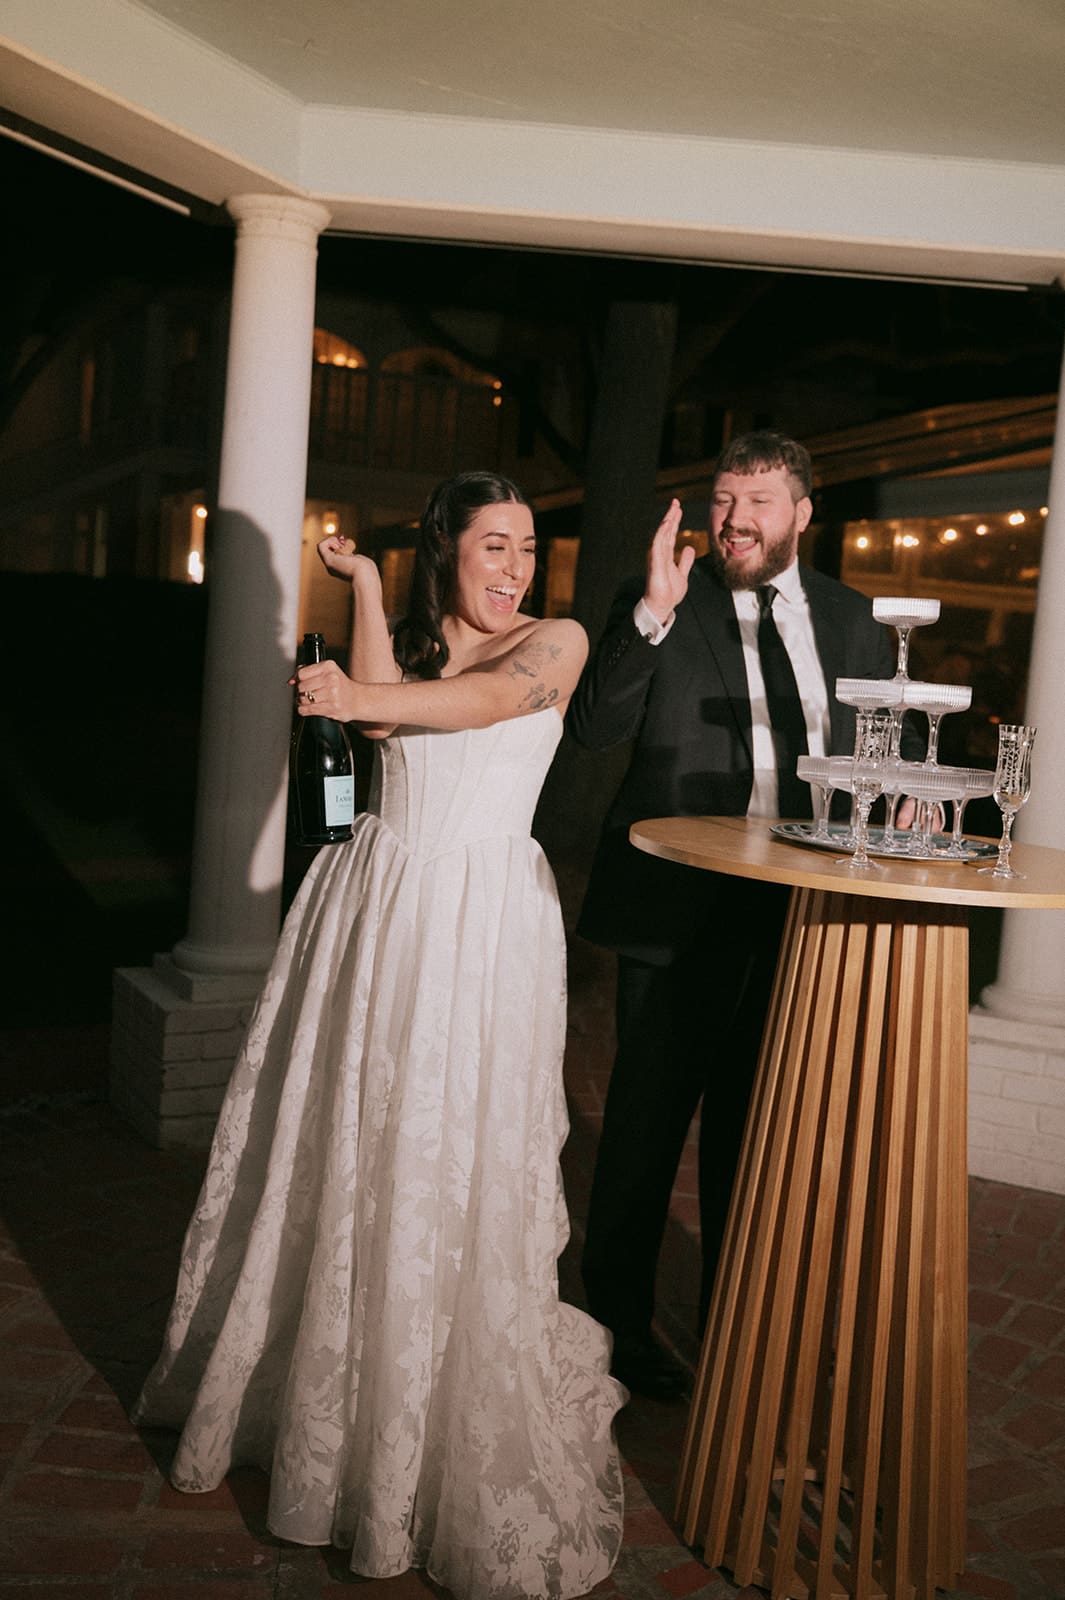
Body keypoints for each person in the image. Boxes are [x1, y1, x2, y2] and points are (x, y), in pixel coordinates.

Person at [134, 471, 625, 1600]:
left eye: (527, 548)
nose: (514, 569)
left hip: (482, 926)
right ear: (445, 551)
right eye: (492, 546)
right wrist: (359, 587)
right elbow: (389, 707)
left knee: (453, 1139)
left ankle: (434, 1404)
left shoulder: (556, 642)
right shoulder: (416, 646)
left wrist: (357, 693)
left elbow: (486, 707)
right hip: (380, 907)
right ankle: (334, 1397)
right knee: (355, 1135)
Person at [570, 429, 917, 1401]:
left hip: (798, 923)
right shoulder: (667, 607)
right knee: (640, 1137)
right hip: (676, 916)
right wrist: (647, 613)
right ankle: (613, 1338)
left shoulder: (854, 620)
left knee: (756, 1141)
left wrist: (904, 797)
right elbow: (594, 727)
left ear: (804, 512)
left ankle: (737, 1332)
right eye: (725, 500)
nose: (735, 521)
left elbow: (877, 758)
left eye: (758, 502)